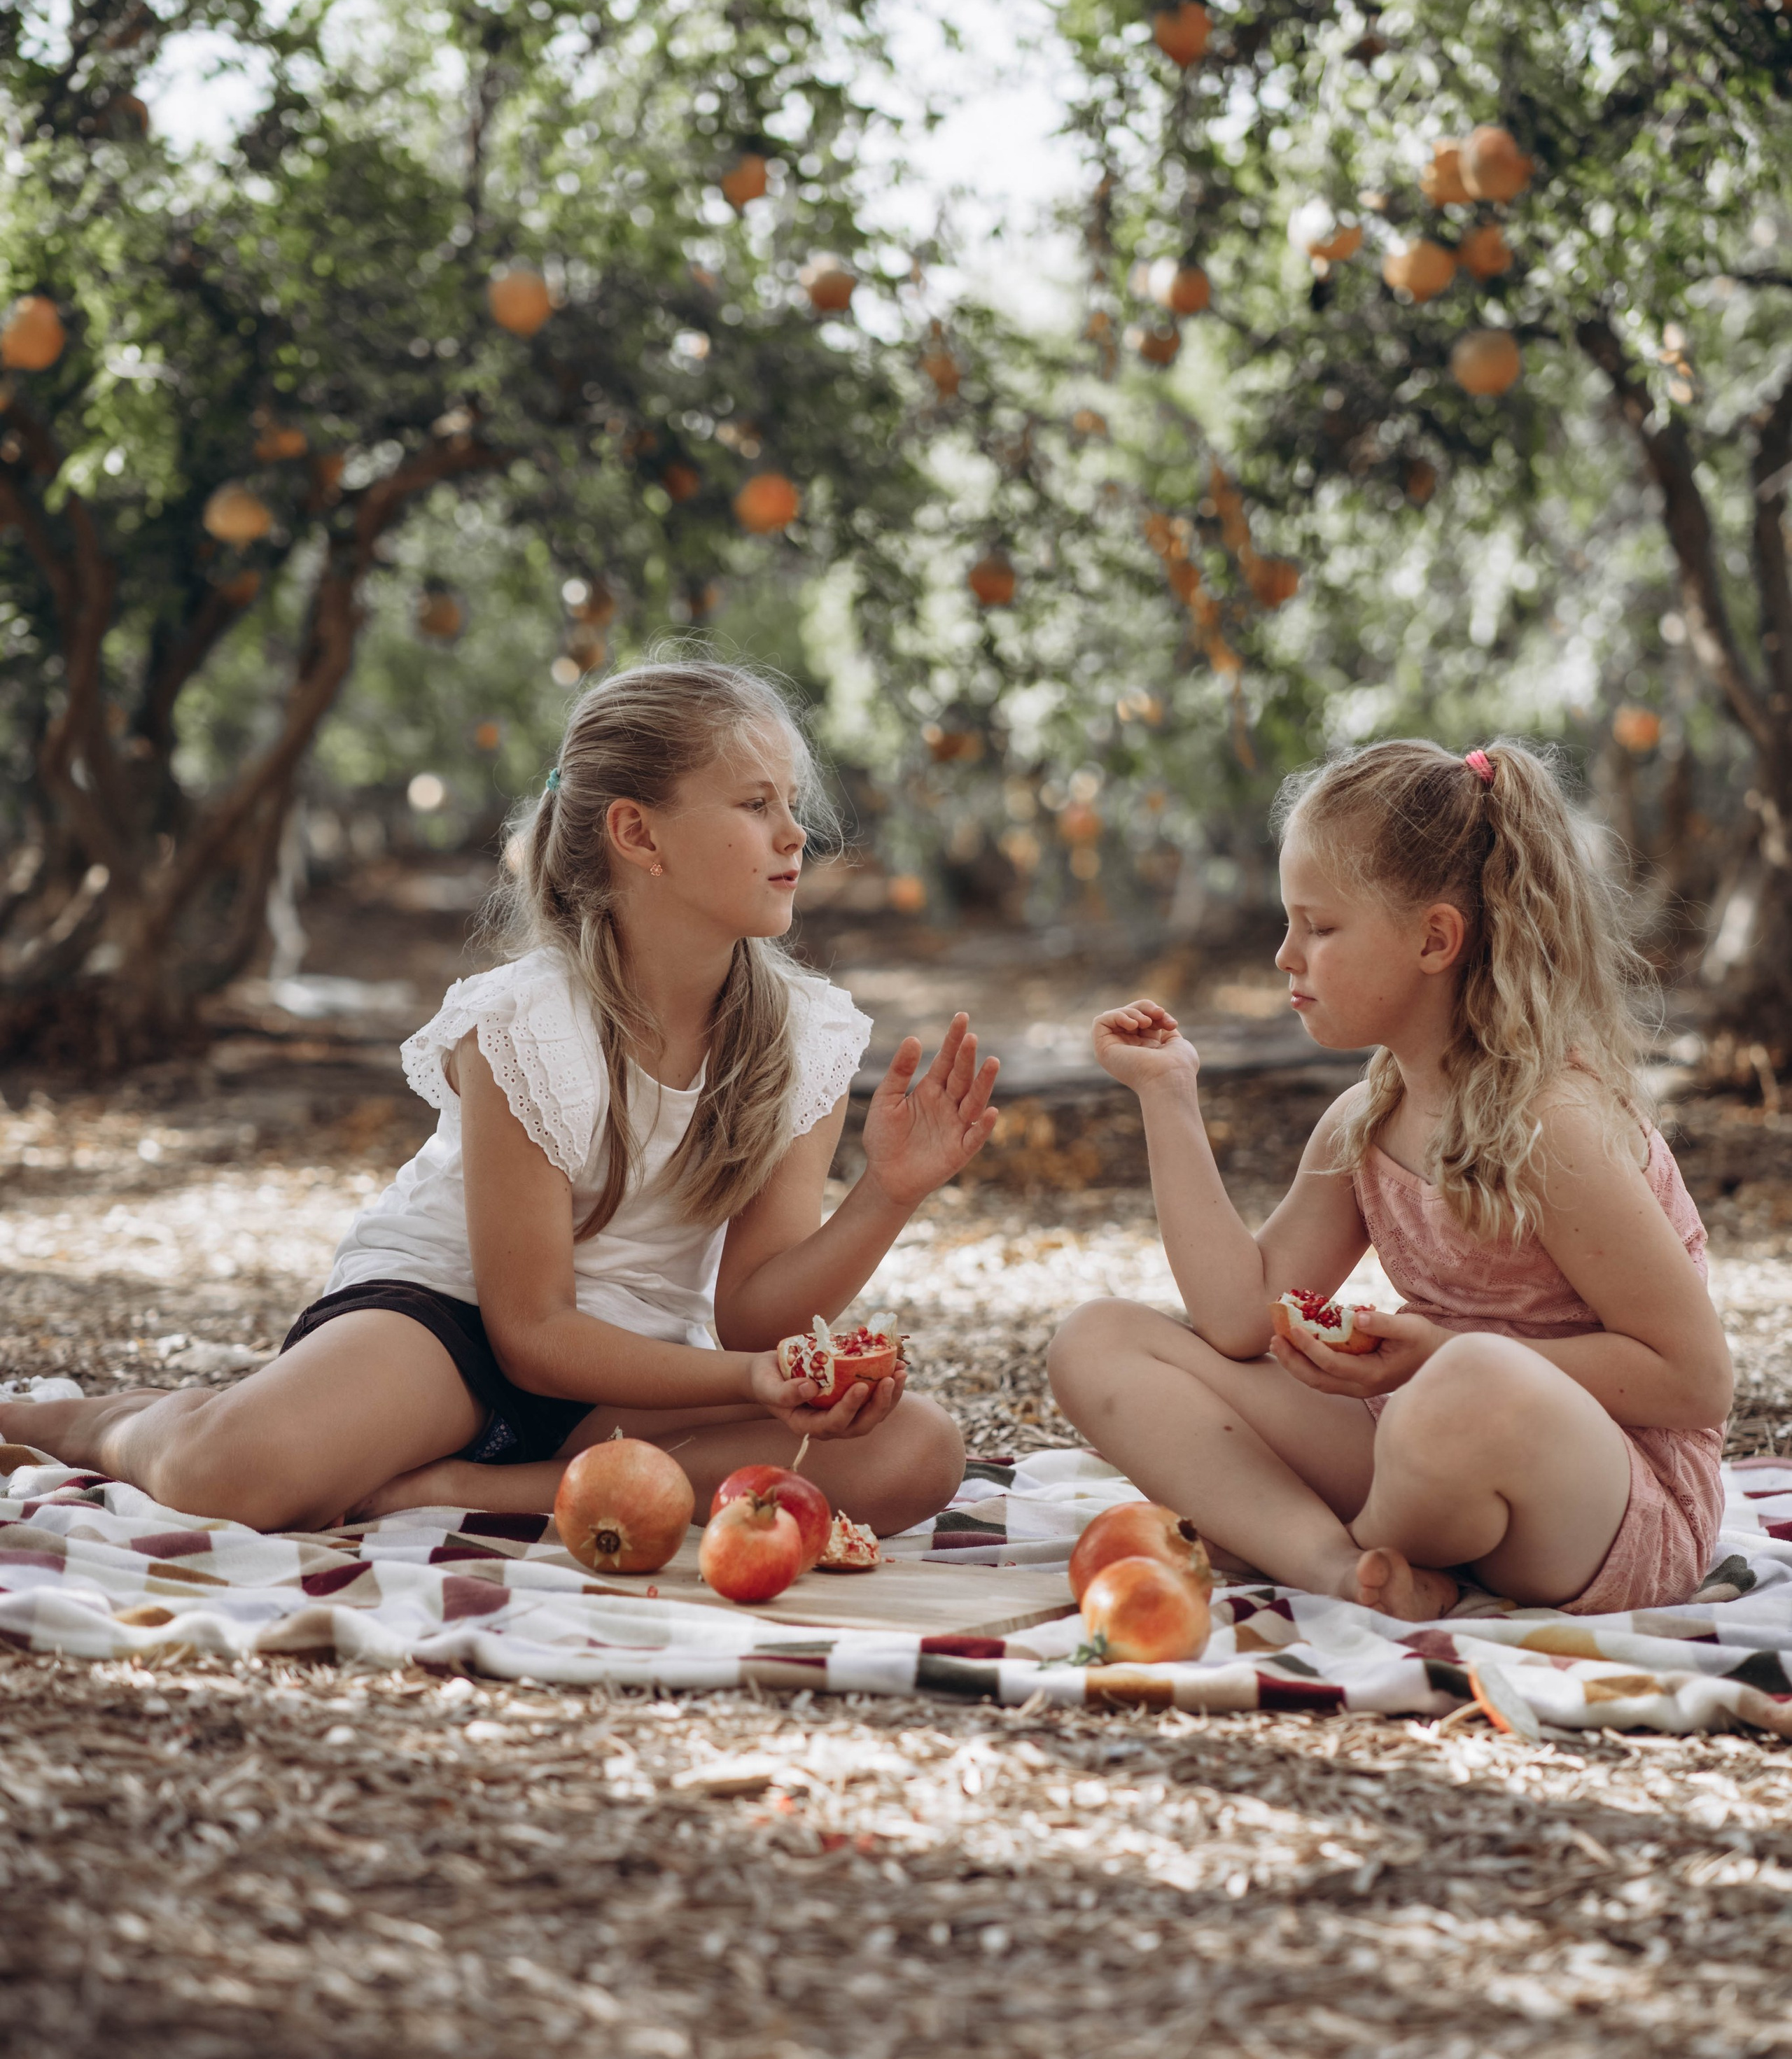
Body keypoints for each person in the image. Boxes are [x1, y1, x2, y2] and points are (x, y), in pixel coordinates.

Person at [4, 659, 998, 1533]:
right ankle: (101, 1417)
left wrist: (888, 1195)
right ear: (637, 836)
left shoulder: (805, 1033)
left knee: (913, 1453)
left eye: (791, 804)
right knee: (238, 1477)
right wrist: (749, 1385)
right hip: (451, 1330)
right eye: (755, 806)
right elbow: (531, 1334)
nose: (795, 837)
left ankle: (476, 1488)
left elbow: (748, 1316)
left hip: (637, 1373)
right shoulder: (528, 1022)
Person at [1049, 739, 1732, 1621]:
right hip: (1427, 1446)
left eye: (1319, 927)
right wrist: (1167, 1094)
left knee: (1467, 1386)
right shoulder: (1366, 1121)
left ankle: (1317, 1535)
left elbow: (1693, 1378)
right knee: (1097, 1338)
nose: (1285, 955)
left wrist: (1444, 1358)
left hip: (1607, 1506)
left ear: (1434, 938)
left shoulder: (1550, 1124)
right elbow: (1235, 1317)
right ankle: (1339, 1570)